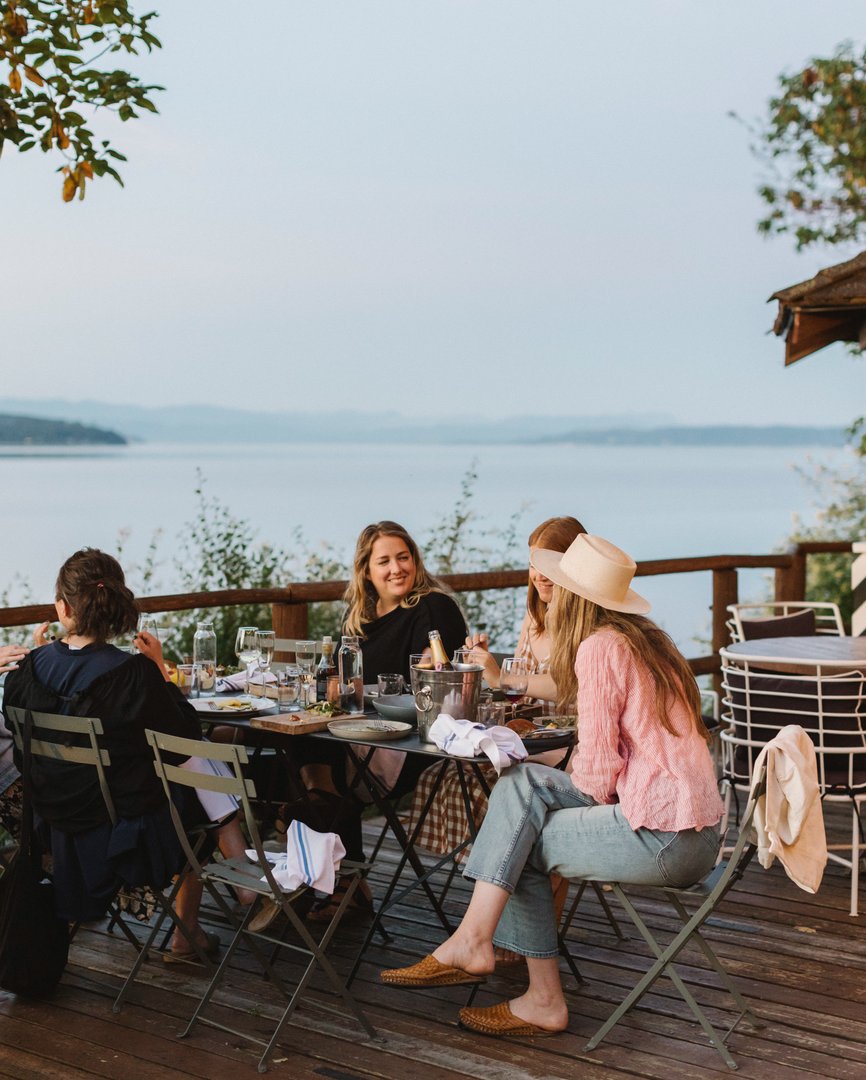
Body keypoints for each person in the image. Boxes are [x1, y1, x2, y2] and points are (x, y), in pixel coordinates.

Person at [381, 534, 724, 1038]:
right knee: (520, 787)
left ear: (575, 596)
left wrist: (546, 792)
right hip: (695, 827)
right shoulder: (649, 639)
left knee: (524, 835)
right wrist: (540, 782)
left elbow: (599, 772)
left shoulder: (600, 648)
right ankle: (482, 947)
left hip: (665, 836)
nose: (550, 594)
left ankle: (521, 981)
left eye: (559, 586)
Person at [1, 548, 251, 961]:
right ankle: (198, 919)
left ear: (62, 608)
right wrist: (156, 669)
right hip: (122, 832)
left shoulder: (28, 669)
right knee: (198, 779)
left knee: (186, 774)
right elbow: (185, 733)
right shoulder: (132, 675)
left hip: (53, 823)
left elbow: (21, 735)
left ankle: (202, 912)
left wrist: (42, 654)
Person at [294, 521, 467, 923]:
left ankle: (329, 881)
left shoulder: (432, 607)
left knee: (320, 770)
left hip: (414, 741)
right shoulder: (359, 620)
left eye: (403, 557)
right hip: (359, 732)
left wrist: (358, 690)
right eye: (384, 561)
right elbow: (341, 681)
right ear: (367, 571)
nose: (396, 569)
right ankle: (342, 882)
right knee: (301, 750)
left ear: (415, 560)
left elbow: (433, 674)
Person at [466, 515, 586, 709]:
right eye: (533, 565)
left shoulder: (590, 623)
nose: (539, 576)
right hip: (529, 733)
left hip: (571, 735)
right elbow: (515, 691)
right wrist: (484, 666)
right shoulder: (533, 614)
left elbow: (574, 687)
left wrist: (502, 679)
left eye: (549, 566)